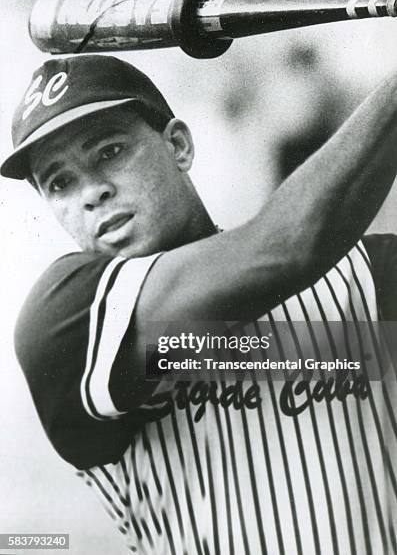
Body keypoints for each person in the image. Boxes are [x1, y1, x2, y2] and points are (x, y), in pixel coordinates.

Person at [1, 54, 396, 555]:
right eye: (60, 182)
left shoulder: (367, 280)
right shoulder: (69, 321)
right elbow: (288, 247)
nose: (92, 192)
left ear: (179, 146)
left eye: (110, 151)